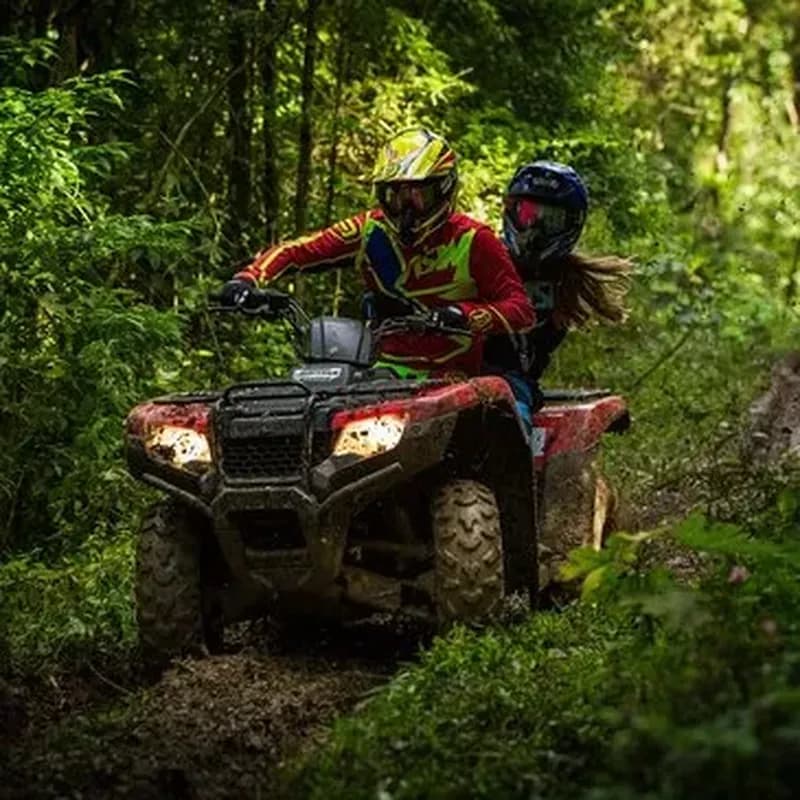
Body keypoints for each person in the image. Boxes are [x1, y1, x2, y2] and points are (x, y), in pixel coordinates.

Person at [220, 127, 535, 378]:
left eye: (417, 194)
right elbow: (296, 251)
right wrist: (247, 280)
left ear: (443, 189)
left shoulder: (473, 239)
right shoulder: (369, 230)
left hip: (450, 377)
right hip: (375, 369)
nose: (405, 208)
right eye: (394, 195)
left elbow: (520, 309)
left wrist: (463, 315)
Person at [483, 160, 633, 424]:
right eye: (528, 213)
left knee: (509, 421)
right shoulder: (482, 257)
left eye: (550, 220)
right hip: (453, 374)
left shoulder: (568, 280)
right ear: (511, 210)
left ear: (570, 224)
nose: (535, 228)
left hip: (513, 388)